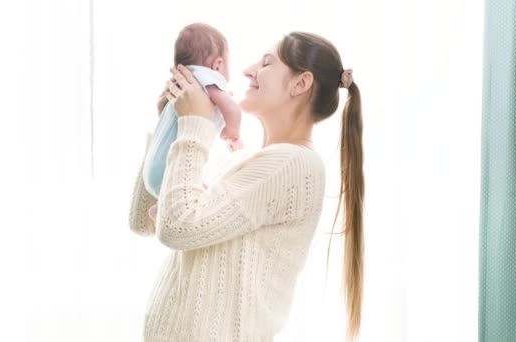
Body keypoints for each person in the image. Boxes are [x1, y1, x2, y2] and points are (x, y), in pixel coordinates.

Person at [129, 31, 364, 341]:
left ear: (301, 83)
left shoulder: (294, 165)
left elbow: (176, 228)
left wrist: (193, 126)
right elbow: (142, 220)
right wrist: (168, 130)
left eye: (266, 63)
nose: (247, 70)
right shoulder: (244, 161)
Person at [143, 23, 244, 205]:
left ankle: (160, 211)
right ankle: (163, 209)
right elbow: (232, 108)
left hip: (153, 171)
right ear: (218, 64)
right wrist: (232, 132)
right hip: (172, 168)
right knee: (199, 196)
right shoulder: (207, 77)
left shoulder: (183, 82)